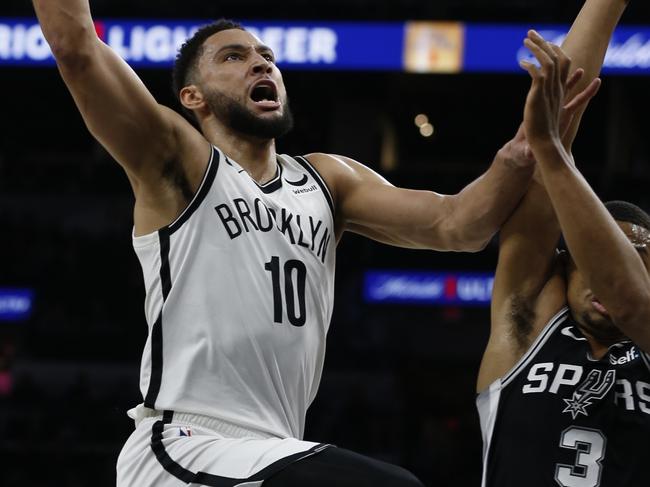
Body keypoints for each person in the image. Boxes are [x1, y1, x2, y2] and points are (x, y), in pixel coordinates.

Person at [32, 1, 592, 485]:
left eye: (266, 56)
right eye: (233, 56)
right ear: (193, 97)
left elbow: (459, 226)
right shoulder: (178, 161)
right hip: (185, 443)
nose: (260, 61)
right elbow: (75, 46)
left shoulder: (327, 181)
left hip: (275, 448)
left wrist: (526, 146)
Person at [477, 6, 650, 487]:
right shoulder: (528, 319)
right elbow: (543, 151)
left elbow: (631, 299)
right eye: (591, 259)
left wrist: (552, 147)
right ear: (564, 265)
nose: (606, 275)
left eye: (637, 261)